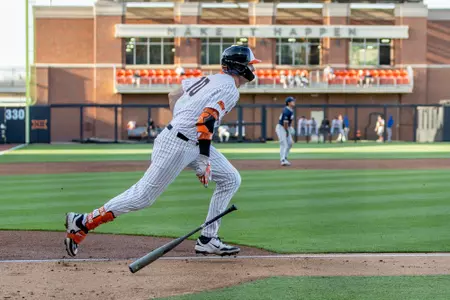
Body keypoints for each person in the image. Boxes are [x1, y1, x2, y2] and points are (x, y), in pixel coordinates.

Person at [64, 45, 261, 257]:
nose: (252, 68)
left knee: (231, 178)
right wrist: (204, 159)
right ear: (240, 67)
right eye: (250, 64)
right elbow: (206, 120)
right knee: (143, 196)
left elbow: (173, 94)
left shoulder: (211, 78)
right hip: (178, 144)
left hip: (188, 139)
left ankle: (208, 239)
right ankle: (82, 222)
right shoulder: (230, 89)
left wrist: (181, 119)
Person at [276, 96, 295, 166]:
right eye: (292, 101)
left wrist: (289, 128)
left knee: (290, 143)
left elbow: (287, 123)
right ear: (289, 103)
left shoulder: (290, 110)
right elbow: (285, 123)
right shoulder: (286, 111)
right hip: (281, 128)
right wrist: (287, 131)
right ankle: (283, 160)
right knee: (284, 144)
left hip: (286, 127)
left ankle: (285, 157)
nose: (294, 102)